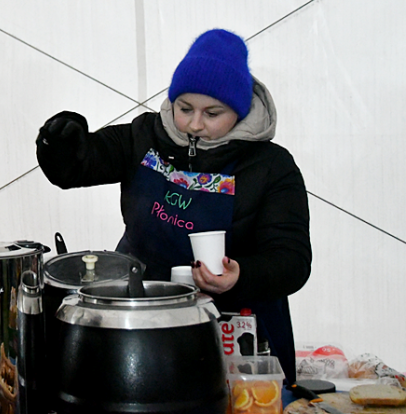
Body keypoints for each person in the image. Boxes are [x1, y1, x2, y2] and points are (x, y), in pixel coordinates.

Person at [36, 28, 311, 384]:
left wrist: (240, 275)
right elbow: (75, 167)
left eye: (213, 113)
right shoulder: (144, 136)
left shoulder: (271, 166)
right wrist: (58, 142)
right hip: (145, 323)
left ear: (240, 111)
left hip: (237, 333)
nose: (195, 124)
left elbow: (292, 259)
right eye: (185, 109)